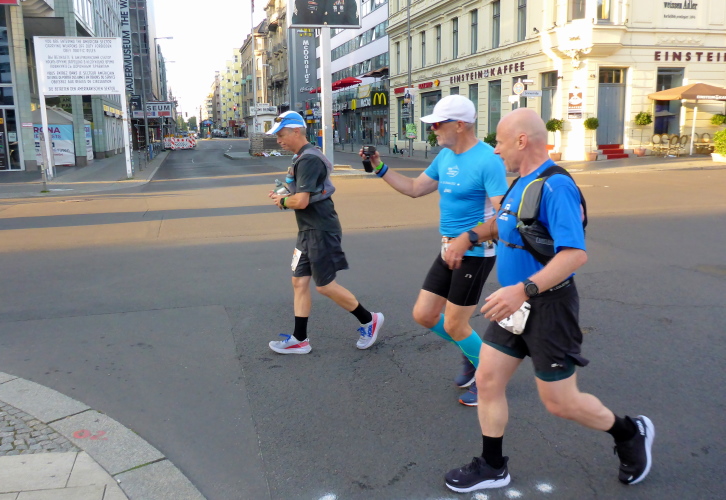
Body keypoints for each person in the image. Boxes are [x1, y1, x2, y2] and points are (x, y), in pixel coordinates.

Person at [444, 108, 654, 493]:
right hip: (513, 306)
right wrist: (469, 236)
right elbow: (505, 224)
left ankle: (630, 432)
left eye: (500, 142)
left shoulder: (556, 186)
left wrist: (522, 289)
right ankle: (493, 466)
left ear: (522, 141)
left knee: (560, 402)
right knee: (487, 380)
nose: (496, 151)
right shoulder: (521, 182)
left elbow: (574, 255)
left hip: (548, 306)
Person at [361, 95, 508, 405]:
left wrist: (467, 237)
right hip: (448, 248)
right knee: (425, 315)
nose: (433, 130)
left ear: (460, 125)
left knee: (455, 323)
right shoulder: (445, 156)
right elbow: (415, 188)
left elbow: (504, 218)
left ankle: (489, 378)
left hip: (476, 252)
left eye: (438, 124)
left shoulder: (488, 160)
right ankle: (471, 350)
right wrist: (379, 167)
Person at [267, 110, 383, 354]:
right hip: (307, 230)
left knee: (325, 286)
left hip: (320, 230)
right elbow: (302, 194)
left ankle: (369, 320)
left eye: (281, 135)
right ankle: (300, 339)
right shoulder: (302, 157)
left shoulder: (309, 159)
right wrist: (284, 195)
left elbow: (301, 201)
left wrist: (283, 201)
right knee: (299, 281)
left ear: (296, 131)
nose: (278, 140)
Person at [291, 0, 359, 27]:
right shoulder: (302, 1)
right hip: (312, 44)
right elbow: (297, 26)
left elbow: (353, 25)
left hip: (336, 43)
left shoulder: (348, 1)